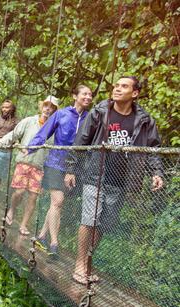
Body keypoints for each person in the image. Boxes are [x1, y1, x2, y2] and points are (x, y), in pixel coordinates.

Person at [64, 76, 164, 285]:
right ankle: (80, 266)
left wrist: (156, 171)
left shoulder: (144, 120)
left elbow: (154, 147)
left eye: (124, 86)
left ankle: (87, 261)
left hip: (122, 180)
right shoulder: (100, 112)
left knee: (103, 225)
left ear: (134, 93)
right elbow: (82, 139)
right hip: (95, 175)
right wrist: (71, 168)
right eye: (116, 85)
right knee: (89, 219)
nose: (117, 89)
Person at [26, 85, 93, 254]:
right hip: (56, 163)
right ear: (74, 96)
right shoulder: (61, 114)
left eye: (90, 95)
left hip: (75, 166)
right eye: (84, 94)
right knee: (58, 201)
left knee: (57, 205)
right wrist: (31, 147)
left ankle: (41, 235)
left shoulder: (91, 118)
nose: (88, 97)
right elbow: (45, 131)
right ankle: (54, 243)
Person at [0, 96, 59, 235]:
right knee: (20, 192)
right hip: (24, 162)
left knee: (33, 197)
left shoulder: (54, 129)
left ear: (54, 110)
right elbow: (14, 134)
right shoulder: (29, 121)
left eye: (51, 107)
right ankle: (12, 209)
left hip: (39, 166)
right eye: (46, 105)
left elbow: (56, 147)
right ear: (42, 106)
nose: (48, 108)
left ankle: (23, 225)